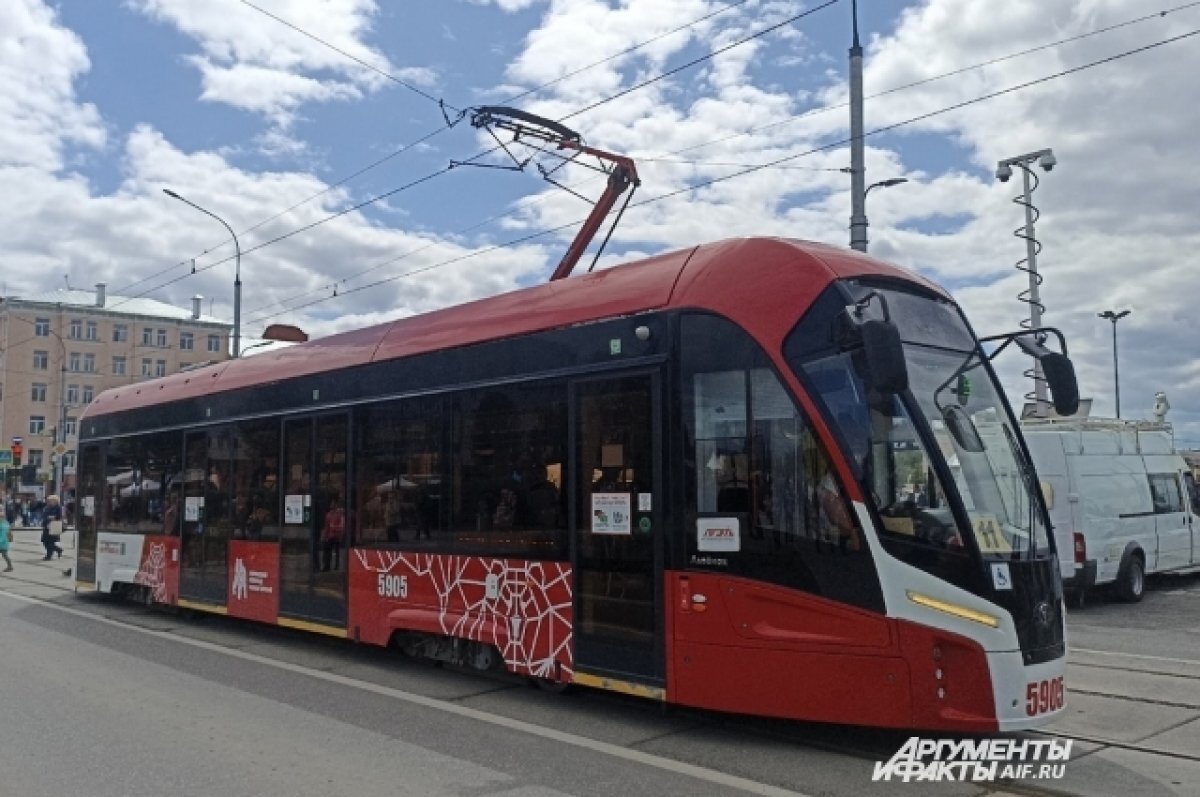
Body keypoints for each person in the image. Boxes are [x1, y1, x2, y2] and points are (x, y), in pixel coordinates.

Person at [321, 497, 345, 571]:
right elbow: (327, 527)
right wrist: (325, 536)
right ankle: (327, 565)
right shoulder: (328, 515)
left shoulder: (339, 515)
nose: (332, 506)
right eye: (331, 504)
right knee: (328, 551)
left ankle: (334, 566)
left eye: (333, 504)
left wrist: (334, 529)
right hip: (331, 536)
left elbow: (341, 526)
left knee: (334, 551)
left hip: (335, 536)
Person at [41, 494, 64, 560]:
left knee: (50, 542)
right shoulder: (46, 507)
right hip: (46, 526)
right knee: (45, 541)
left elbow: (59, 516)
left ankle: (49, 555)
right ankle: (58, 549)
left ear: (55, 501)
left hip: (53, 526)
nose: (48, 502)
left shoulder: (58, 508)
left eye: (50, 500)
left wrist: (52, 517)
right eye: (48, 500)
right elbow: (44, 515)